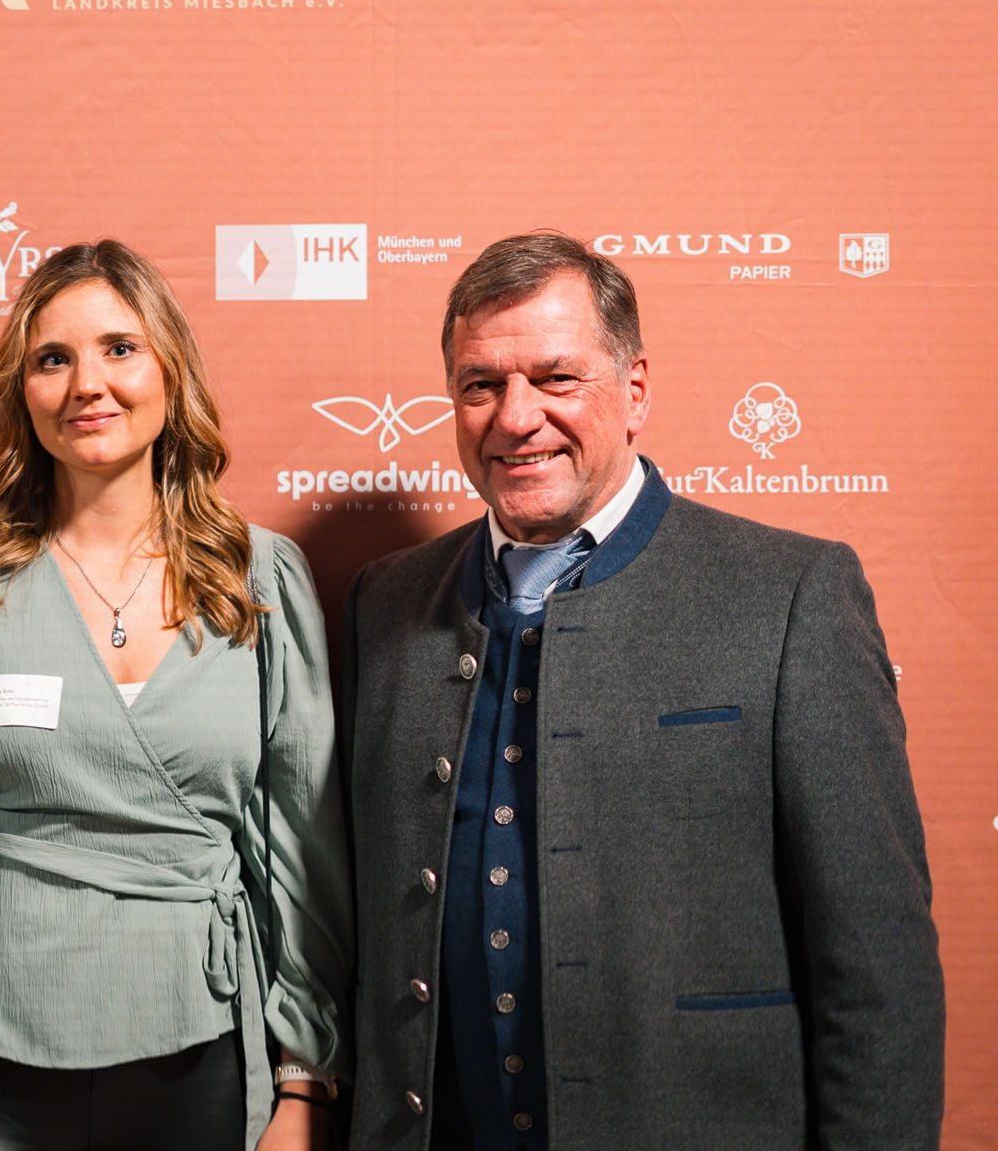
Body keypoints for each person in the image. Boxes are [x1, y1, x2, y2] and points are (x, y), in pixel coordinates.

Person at [342, 231, 944, 1150]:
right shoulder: (384, 603)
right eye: (481, 385)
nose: (516, 417)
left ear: (635, 391)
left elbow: (879, 972)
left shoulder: (790, 596)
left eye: (556, 378)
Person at [0, 240, 351, 1151]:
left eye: (120, 348)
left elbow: (299, 845)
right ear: (22, 393)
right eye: (53, 359)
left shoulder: (260, 579)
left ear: (170, 371)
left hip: (207, 1044)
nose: (88, 384)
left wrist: (305, 1080)